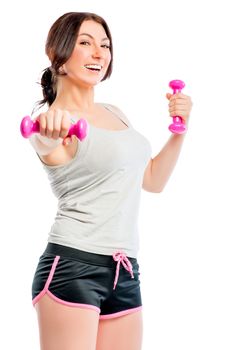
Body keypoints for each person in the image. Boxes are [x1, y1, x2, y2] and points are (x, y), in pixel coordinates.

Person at [28, 11, 192, 350]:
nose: (99, 53)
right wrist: (50, 129)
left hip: (126, 270)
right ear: (58, 55)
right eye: (85, 43)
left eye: (105, 45)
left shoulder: (115, 113)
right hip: (72, 267)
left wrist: (179, 130)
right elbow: (47, 145)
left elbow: (152, 180)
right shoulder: (51, 123)